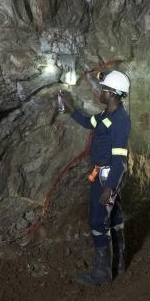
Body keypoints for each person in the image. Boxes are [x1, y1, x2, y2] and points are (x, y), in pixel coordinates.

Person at [59, 70, 131, 286]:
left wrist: (109, 187)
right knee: (114, 217)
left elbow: (120, 159)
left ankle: (102, 273)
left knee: (98, 221)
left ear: (113, 94)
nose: (100, 91)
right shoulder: (105, 115)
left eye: (104, 89)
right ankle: (119, 262)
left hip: (107, 177)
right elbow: (88, 121)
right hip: (104, 175)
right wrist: (70, 108)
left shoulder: (120, 120)